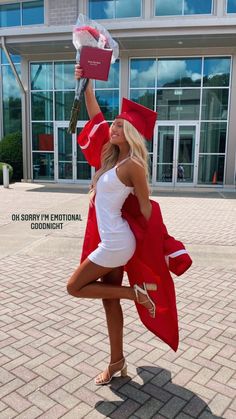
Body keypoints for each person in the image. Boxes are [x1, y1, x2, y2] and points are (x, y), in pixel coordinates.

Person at [67, 65, 192, 386]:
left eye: (120, 126)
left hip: (117, 244)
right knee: (108, 300)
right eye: (114, 125)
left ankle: (135, 294)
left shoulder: (133, 164)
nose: (112, 129)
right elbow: (94, 111)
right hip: (111, 241)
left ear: (132, 134)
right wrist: (85, 79)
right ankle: (117, 361)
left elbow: (147, 207)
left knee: (74, 287)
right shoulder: (110, 159)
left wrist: (162, 244)